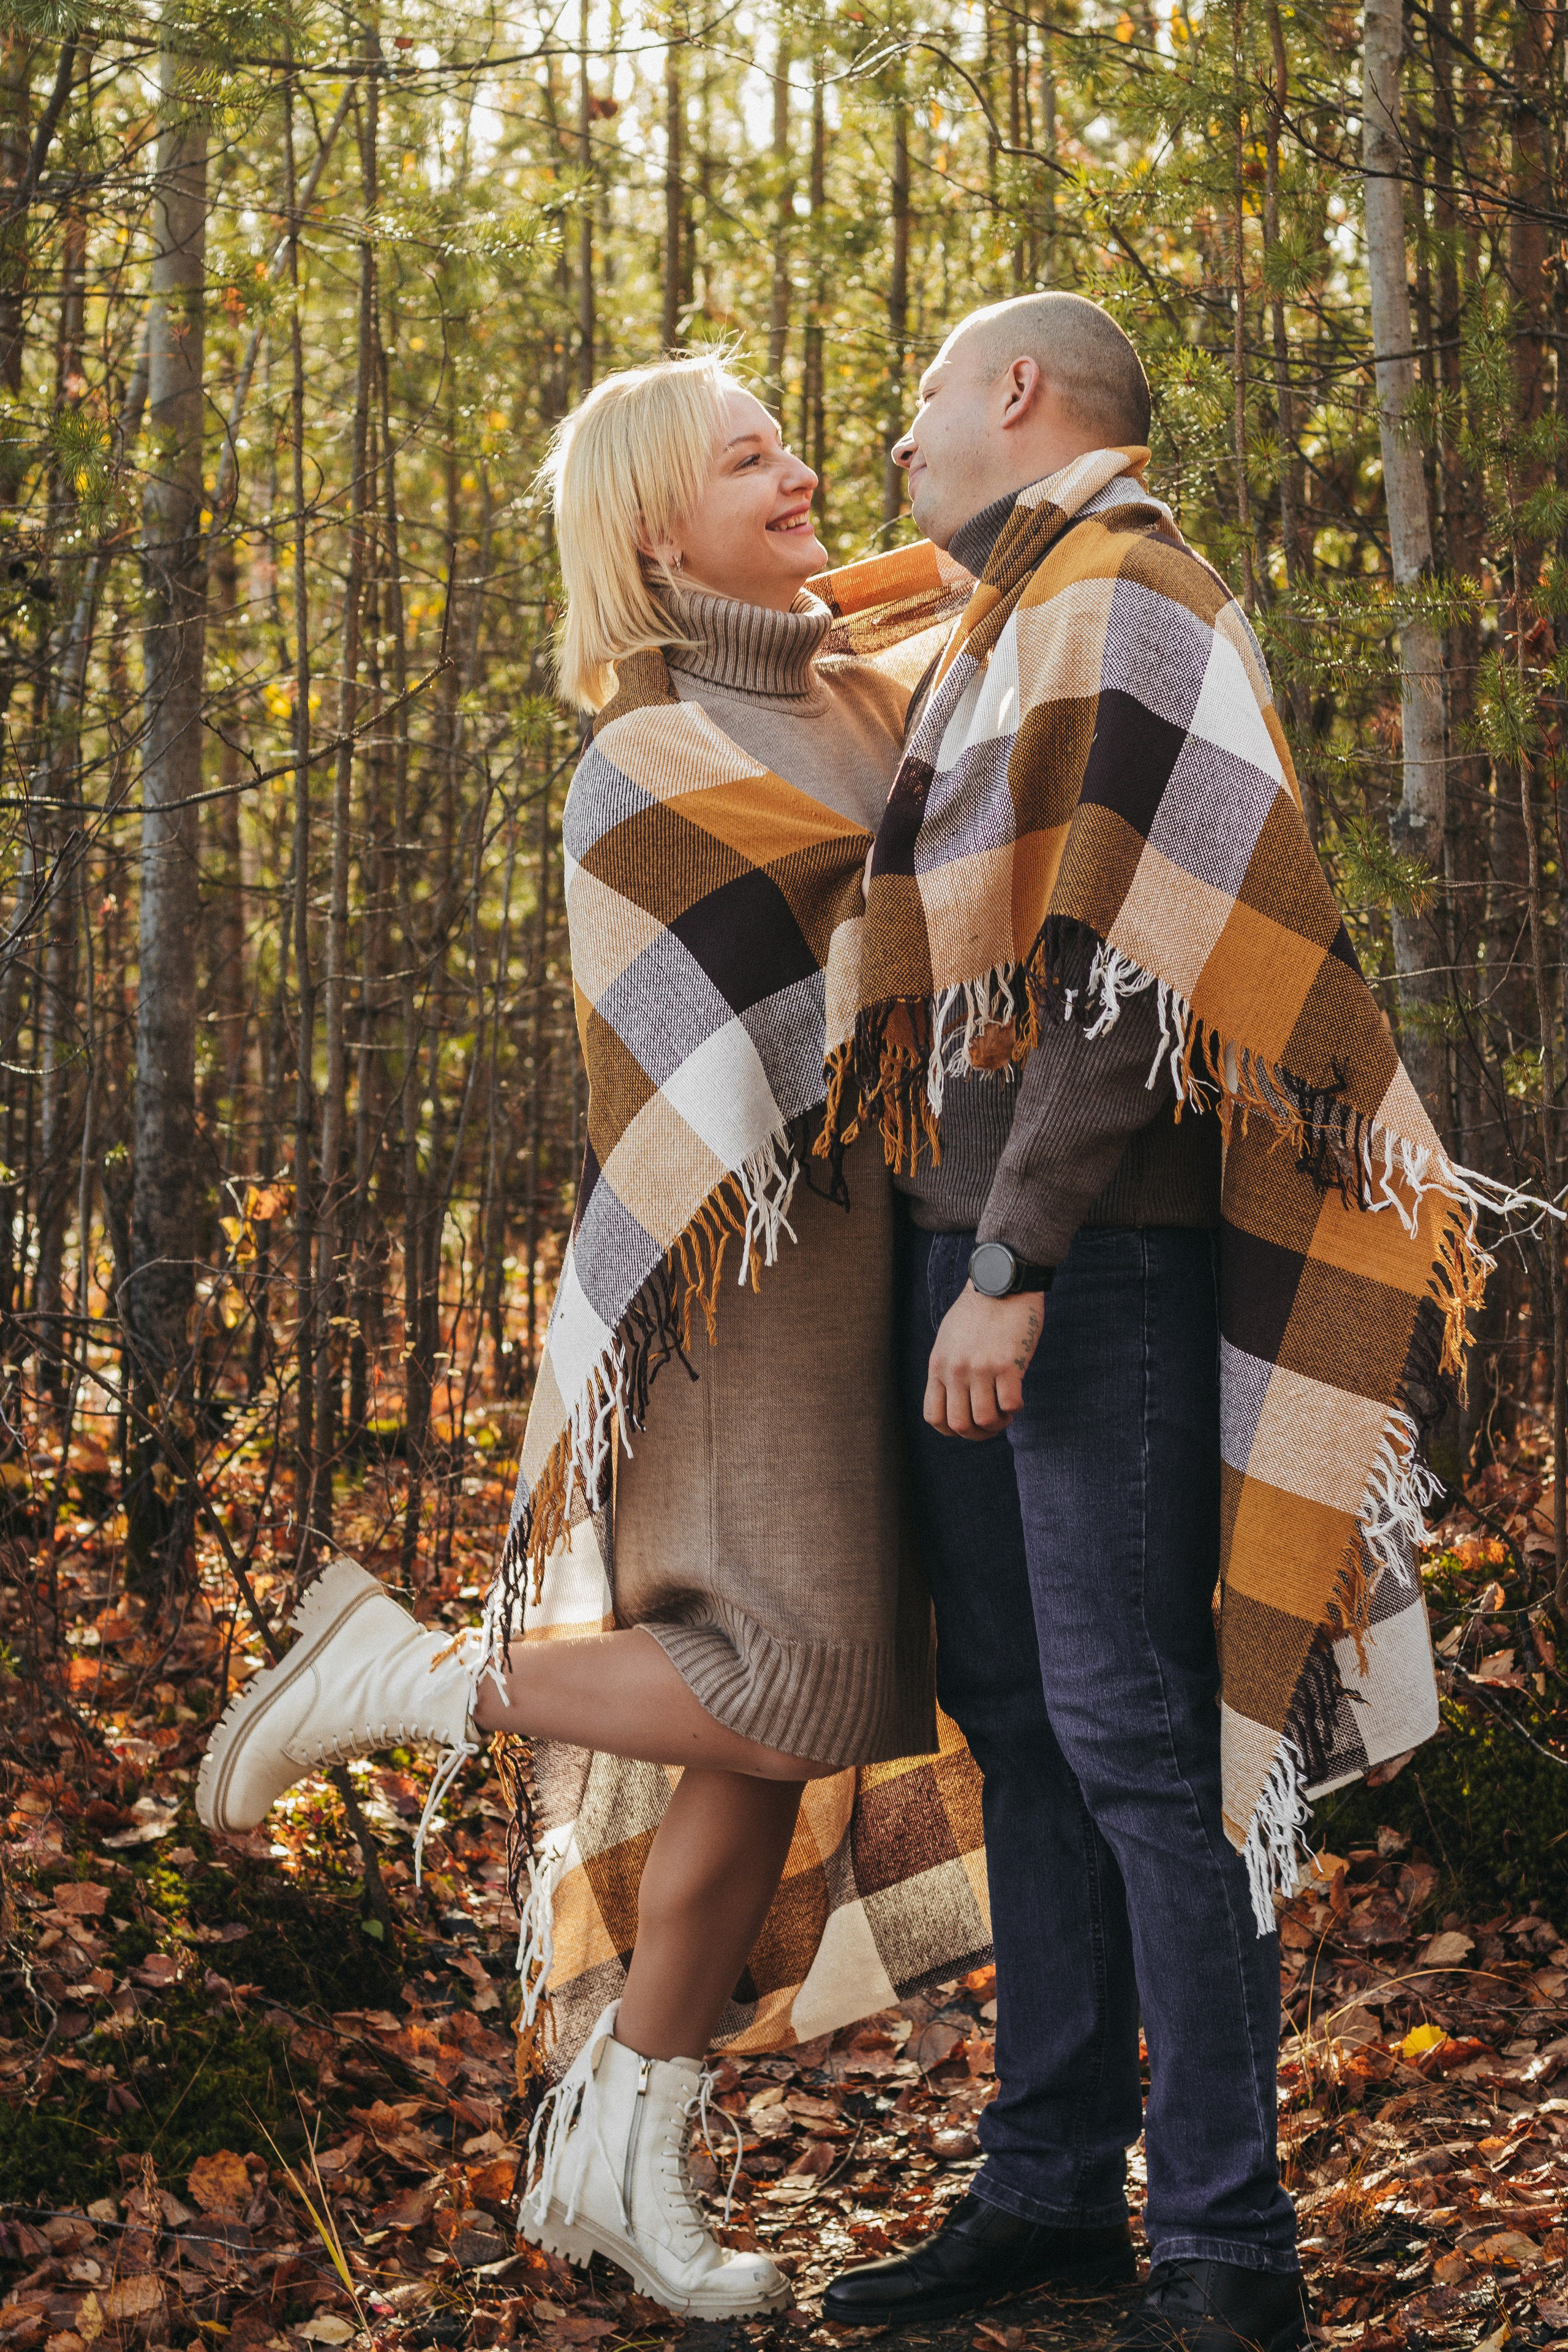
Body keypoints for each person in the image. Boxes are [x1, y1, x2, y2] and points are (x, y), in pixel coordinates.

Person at [196, 353, 958, 2321]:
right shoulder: (643, 749)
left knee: (761, 1758)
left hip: (893, 1266)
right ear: (649, 526)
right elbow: (780, 1002)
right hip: (738, 1281)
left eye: (792, 444)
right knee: (805, 1687)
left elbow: (1011, 615)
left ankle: (618, 2165)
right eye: (749, 458)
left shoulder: (865, 681)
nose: (796, 472)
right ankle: (413, 1676)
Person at [820, 290, 1463, 2351]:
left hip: (1070, 1263)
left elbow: (1128, 968)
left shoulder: (1136, 593)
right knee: (1018, 1735)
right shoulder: (1012, 609)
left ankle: (1226, 2242)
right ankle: (1049, 2189)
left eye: (926, 398)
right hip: (967, 1249)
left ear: (1019, 394)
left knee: (1132, 1746)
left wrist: (1015, 1262)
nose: (903, 443)